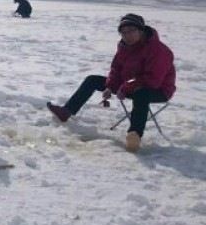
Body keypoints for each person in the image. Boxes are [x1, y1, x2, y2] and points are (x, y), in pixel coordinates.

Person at [46, 13, 176, 152]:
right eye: (123, 32)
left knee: (141, 93)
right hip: (129, 85)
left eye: (131, 31)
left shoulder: (158, 50)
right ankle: (67, 111)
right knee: (93, 80)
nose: (127, 35)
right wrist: (110, 86)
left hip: (158, 90)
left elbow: (151, 80)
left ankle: (134, 135)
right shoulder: (124, 47)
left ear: (141, 30)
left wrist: (125, 87)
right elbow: (116, 69)